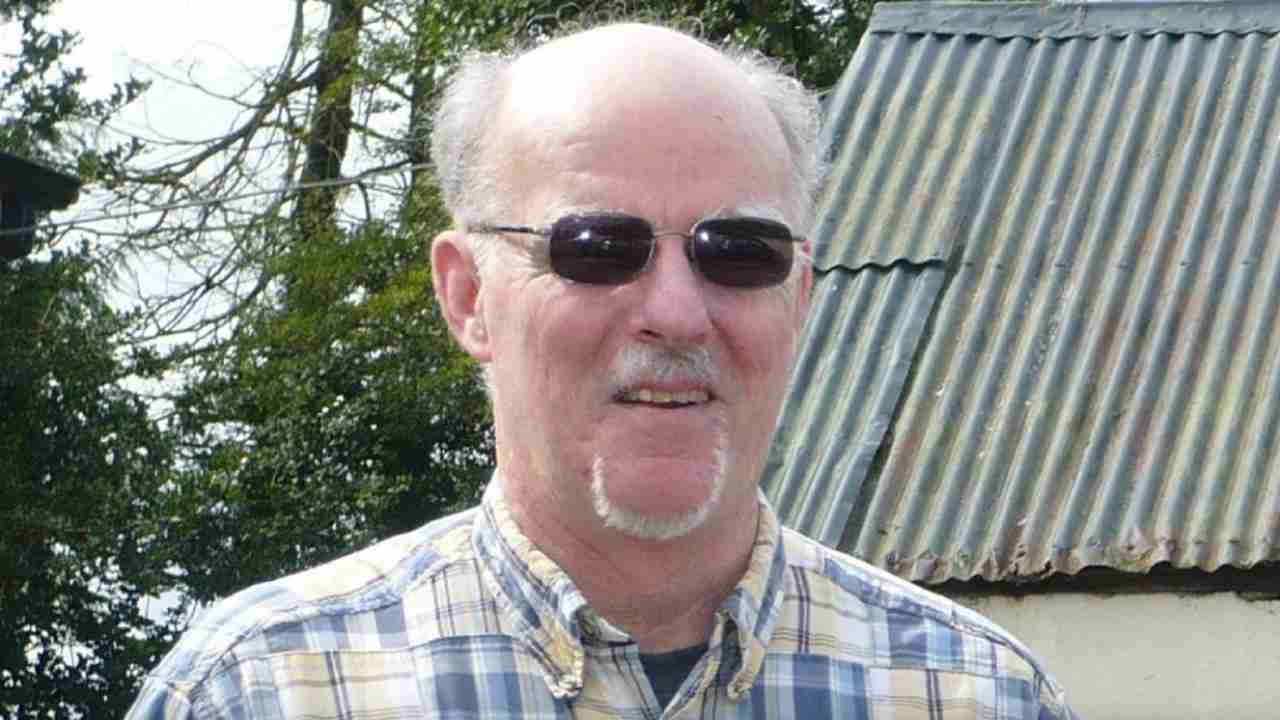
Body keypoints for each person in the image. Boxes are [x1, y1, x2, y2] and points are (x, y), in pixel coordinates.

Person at [127, 22, 1075, 720]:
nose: (676, 312)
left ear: (799, 295)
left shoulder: (979, 696)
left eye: (739, 252)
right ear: (467, 296)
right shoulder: (260, 692)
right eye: (596, 248)